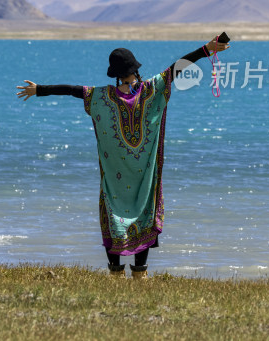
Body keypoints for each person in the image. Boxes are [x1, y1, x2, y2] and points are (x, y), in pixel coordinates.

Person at [16, 35, 230, 280]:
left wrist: (206, 49)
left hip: (130, 178)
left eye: (131, 79)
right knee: (127, 214)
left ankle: (129, 274)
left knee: (129, 212)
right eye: (129, 78)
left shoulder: (131, 93)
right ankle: (127, 275)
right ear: (126, 75)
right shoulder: (124, 94)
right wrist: (40, 90)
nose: (131, 82)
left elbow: (175, 69)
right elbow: (74, 90)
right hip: (129, 178)